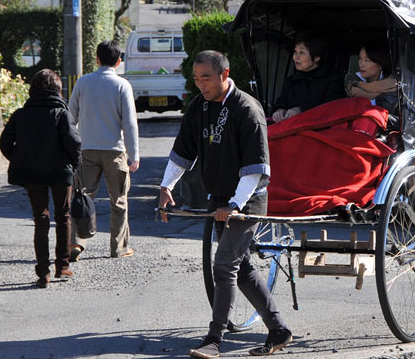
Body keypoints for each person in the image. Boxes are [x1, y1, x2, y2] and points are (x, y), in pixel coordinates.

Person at [158, 50, 293, 358]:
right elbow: (183, 150)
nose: (200, 84)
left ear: (225, 74)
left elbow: (255, 168)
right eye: (196, 78)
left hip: (248, 200)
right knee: (241, 268)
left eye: (206, 78)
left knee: (224, 265)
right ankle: (279, 329)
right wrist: (167, 185)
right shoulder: (199, 106)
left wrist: (235, 204)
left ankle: (214, 339)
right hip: (220, 199)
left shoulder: (247, 109)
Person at [0, 69, 81, 288]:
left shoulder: (20, 114)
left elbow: (5, 143)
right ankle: (62, 266)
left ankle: (43, 272)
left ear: (33, 89)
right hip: (61, 172)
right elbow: (74, 143)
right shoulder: (62, 113)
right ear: (57, 89)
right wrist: (75, 164)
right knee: (63, 216)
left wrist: (19, 159)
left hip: (32, 173)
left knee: (40, 219)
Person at [68, 40, 140, 261]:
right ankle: (118, 248)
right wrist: (134, 154)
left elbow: (71, 116)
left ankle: (76, 243)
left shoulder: (83, 82)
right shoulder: (122, 85)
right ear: (119, 61)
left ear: (96, 59)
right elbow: (129, 123)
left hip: (87, 149)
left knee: (81, 198)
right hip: (115, 151)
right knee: (118, 201)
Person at [270, 32, 344, 123]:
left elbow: (331, 107)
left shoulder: (333, 80)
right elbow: (281, 102)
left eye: (301, 52)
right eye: (295, 52)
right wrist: (279, 111)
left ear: (317, 57)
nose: (296, 57)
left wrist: (302, 110)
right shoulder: (290, 81)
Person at [345, 37, 399, 122]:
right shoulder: (354, 85)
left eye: (367, 60)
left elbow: (392, 116)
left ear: (380, 63)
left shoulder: (392, 86)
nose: (362, 64)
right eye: (360, 59)